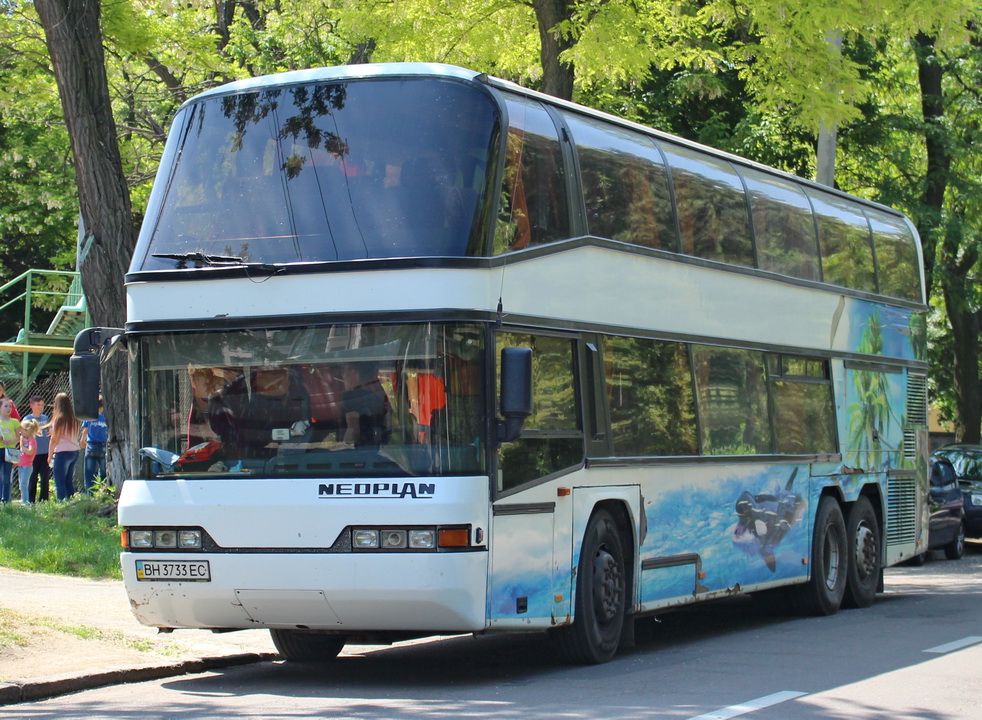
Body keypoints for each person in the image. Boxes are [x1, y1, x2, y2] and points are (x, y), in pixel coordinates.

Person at [341, 362, 391, 448]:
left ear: (354, 373)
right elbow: (388, 429)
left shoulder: (350, 399)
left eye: (344, 372)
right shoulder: (378, 398)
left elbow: (352, 434)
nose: (343, 376)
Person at [47, 392, 81, 501]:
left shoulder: (59, 419)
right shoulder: (75, 419)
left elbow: (54, 440)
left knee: (59, 480)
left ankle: (60, 503)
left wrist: (50, 455)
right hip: (74, 451)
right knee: (68, 479)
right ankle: (70, 501)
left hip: (62, 452)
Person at [23, 395, 51, 502]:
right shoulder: (27, 419)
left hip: (45, 452)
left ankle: (44, 500)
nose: (40, 407)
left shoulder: (45, 418)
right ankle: (31, 501)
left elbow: (49, 432)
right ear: (31, 406)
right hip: (33, 454)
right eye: (38, 405)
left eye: (42, 405)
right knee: (32, 478)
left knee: (45, 478)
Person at [80, 396, 109, 494]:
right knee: (103, 471)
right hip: (103, 446)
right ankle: (103, 491)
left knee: (89, 472)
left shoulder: (89, 417)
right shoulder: (105, 418)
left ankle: (90, 494)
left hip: (91, 446)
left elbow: (85, 430)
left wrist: (82, 440)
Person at [0, 398, 21, 503]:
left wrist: (10, 441)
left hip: (9, 451)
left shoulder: (15, 422)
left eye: (10, 406)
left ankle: (6, 499)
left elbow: (18, 438)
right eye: (5, 406)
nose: (8, 408)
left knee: (7, 476)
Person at [17, 418, 39, 505]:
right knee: (21, 485)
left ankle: (25, 503)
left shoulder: (32, 440)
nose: (21, 432)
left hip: (27, 466)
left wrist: (22, 446)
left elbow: (30, 451)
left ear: (28, 430)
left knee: (24, 484)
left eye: (22, 430)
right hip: (21, 465)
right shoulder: (24, 439)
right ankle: (23, 499)